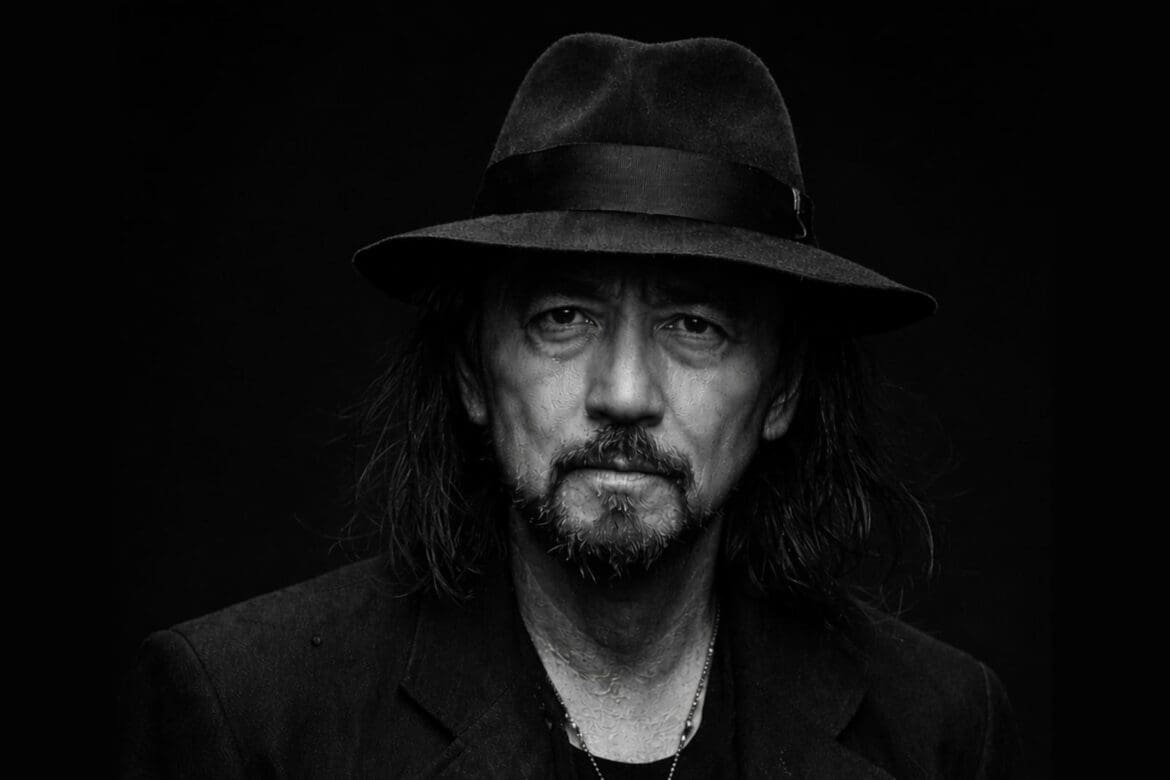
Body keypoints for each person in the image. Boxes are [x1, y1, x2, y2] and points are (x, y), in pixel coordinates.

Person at [119, 33, 1024, 778]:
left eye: (695, 324)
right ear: (473, 369)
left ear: (782, 390)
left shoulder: (937, 730)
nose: (623, 393)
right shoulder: (250, 718)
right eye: (564, 317)